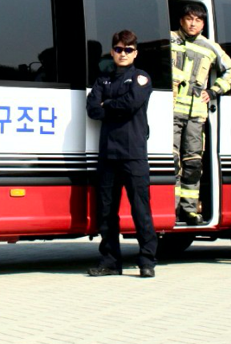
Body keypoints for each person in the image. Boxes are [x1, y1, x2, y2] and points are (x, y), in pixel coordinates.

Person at [86, 30, 157, 278]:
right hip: (108, 155)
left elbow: (131, 105)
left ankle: (147, 261)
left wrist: (108, 105)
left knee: (140, 210)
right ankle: (109, 262)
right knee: (106, 212)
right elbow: (92, 109)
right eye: (118, 49)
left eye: (128, 50)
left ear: (135, 53)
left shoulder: (141, 78)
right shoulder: (102, 80)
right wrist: (107, 106)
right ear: (112, 51)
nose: (122, 53)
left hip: (133, 155)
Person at [171, 3, 231, 224]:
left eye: (198, 20)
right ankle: (170, 209)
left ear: (203, 24)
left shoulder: (210, 46)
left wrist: (214, 90)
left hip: (196, 115)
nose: (193, 23)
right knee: (171, 162)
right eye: (189, 18)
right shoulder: (168, 39)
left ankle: (189, 210)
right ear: (181, 20)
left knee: (193, 163)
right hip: (169, 112)